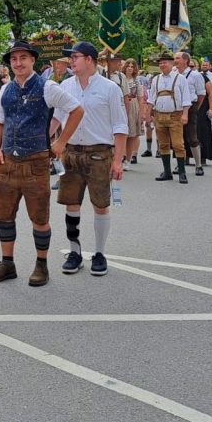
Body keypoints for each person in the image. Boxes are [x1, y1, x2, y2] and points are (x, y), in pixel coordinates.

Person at [0, 40, 83, 287]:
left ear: (32, 60)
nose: (18, 63)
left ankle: (42, 265)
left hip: (36, 160)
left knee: (39, 216)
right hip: (7, 160)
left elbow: (77, 110)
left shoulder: (47, 86)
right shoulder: (6, 89)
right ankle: (7, 263)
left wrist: (60, 142)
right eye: (14, 59)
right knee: (4, 215)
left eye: (22, 58)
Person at [51, 42, 127, 277]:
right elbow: (57, 118)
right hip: (71, 153)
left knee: (100, 205)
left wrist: (117, 161)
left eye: (75, 57)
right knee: (71, 203)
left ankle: (99, 253)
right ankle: (75, 252)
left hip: (99, 152)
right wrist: (43, 143)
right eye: (70, 58)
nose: (71, 62)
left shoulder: (109, 88)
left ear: (90, 60)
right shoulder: (65, 86)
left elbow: (120, 125)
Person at [148, 52, 193, 183]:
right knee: (163, 145)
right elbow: (151, 99)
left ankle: (182, 172)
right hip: (159, 116)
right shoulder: (156, 79)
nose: (162, 64)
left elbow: (186, 99)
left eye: (165, 62)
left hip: (175, 116)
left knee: (178, 144)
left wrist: (185, 115)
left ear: (172, 63)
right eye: (160, 62)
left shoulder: (180, 79)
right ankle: (167, 172)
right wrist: (148, 115)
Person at [174, 52, 208, 176]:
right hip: (176, 108)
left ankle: (198, 165)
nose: (175, 60)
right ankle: (180, 163)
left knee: (192, 136)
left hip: (190, 106)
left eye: (177, 58)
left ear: (185, 60)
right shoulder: (174, 74)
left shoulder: (195, 75)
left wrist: (195, 108)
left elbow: (201, 94)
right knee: (178, 137)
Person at [121, 59, 142, 166]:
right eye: (128, 66)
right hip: (121, 104)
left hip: (133, 105)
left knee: (132, 133)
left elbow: (140, 97)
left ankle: (129, 158)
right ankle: (121, 155)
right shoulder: (120, 78)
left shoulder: (136, 80)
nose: (130, 68)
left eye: (132, 66)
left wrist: (141, 113)